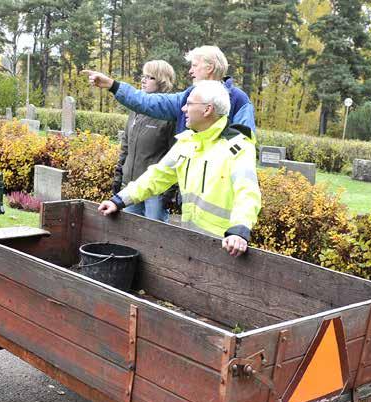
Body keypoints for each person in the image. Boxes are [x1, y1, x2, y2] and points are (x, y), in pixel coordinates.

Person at [98, 80, 261, 257]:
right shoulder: (187, 141)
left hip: (225, 246)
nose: (183, 109)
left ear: (207, 109)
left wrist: (239, 230)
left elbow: (247, 193)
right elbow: (157, 175)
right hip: (192, 240)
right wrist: (119, 200)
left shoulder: (237, 146)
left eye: (189, 104)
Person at [83, 45, 256, 134]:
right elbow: (149, 102)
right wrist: (113, 85)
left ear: (210, 67)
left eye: (194, 65)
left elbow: (244, 142)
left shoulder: (239, 99)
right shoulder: (188, 96)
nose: (190, 71)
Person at [114, 60, 176, 222]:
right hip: (131, 187)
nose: (143, 80)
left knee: (156, 239)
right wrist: (118, 176)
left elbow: (176, 154)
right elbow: (125, 147)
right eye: (143, 76)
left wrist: (169, 193)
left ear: (163, 81)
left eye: (150, 77)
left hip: (155, 192)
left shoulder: (170, 115)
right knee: (129, 235)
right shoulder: (135, 110)